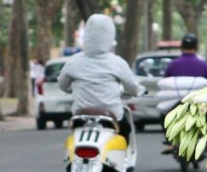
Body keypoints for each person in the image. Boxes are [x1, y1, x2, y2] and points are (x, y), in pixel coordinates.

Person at [57, 13, 145, 144]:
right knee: (125, 131)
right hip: (112, 118)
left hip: (80, 119)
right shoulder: (117, 63)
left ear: (87, 35)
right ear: (110, 36)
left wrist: (71, 89)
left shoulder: (74, 61)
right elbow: (132, 87)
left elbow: (62, 85)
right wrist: (139, 91)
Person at [161, 33, 207, 153]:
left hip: (175, 103)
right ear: (196, 47)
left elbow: (166, 80)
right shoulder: (203, 65)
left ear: (182, 47)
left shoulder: (173, 64)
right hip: (197, 103)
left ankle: (170, 142)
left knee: (163, 115)